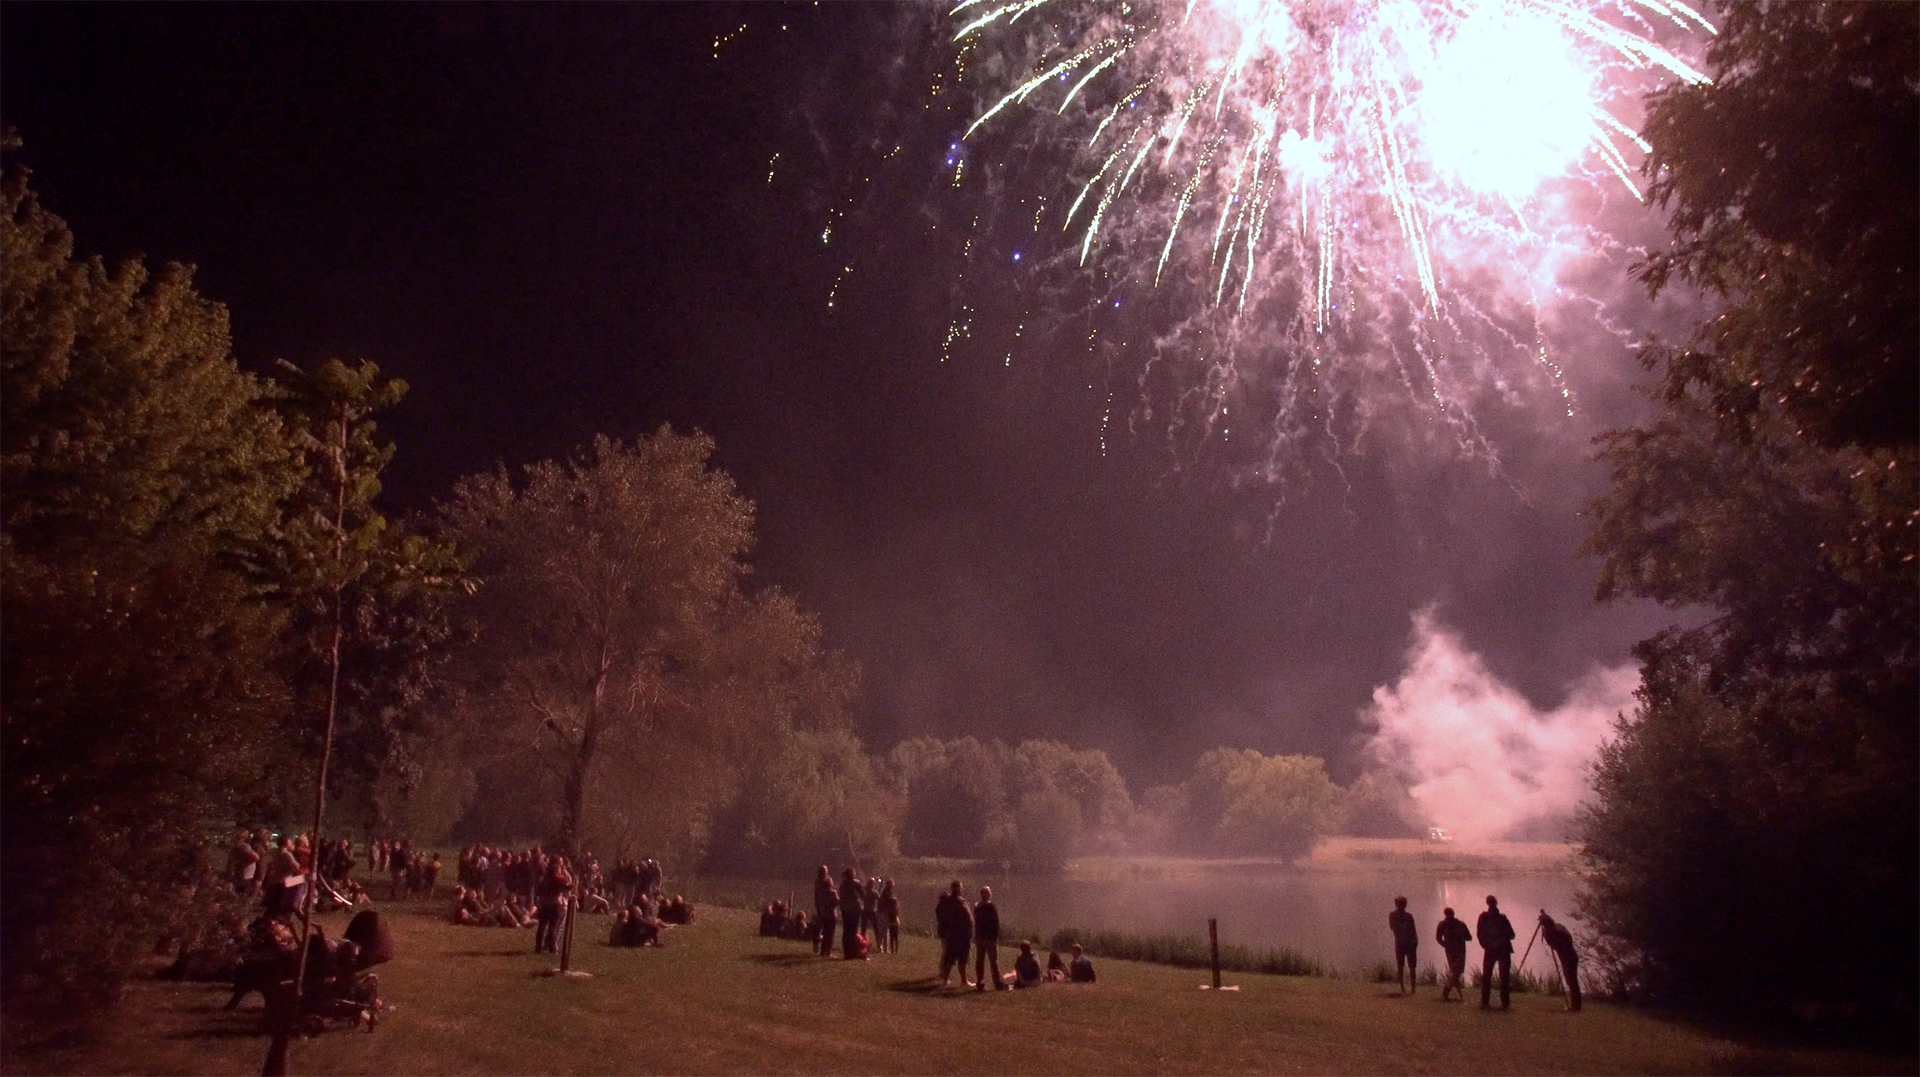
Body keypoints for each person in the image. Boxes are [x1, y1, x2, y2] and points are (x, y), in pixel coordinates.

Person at [1477, 895, 1515, 1010]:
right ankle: (1504, 1003)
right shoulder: (1502, 918)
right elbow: (1512, 935)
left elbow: (1480, 935)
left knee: (1488, 977)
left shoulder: (1484, 918)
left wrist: (1486, 945)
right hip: (1501, 950)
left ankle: (1486, 1002)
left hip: (1492, 950)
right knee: (1502, 977)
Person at [1537, 912, 1581, 1011]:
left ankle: (1576, 1006)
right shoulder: (1558, 927)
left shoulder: (1554, 933)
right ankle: (1575, 1005)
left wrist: (1545, 934)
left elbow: (1552, 944)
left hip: (1568, 958)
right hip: (1571, 957)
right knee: (1571, 981)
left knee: (1571, 981)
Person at [934, 880, 973, 987]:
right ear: (956, 888)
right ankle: (948, 979)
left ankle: (961, 980)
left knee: (959, 958)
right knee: (954, 958)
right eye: (960, 887)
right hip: (958, 934)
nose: (961, 889)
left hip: (959, 934)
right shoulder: (954, 902)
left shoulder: (954, 902)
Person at [533, 858, 571, 954]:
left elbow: (538, 891)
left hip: (544, 904)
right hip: (555, 904)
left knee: (542, 926)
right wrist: (565, 871)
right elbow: (569, 884)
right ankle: (552, 947)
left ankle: (538, 946)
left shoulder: (544, 880)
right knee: (553, 927)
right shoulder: (559, 880)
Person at [1434, 906, 1472, 1001]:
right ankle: (1447, 992)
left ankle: (1457, 994)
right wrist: (1446, 945)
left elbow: (1439, 939)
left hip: (1455, 951)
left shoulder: (1447, 925)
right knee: (1456, 972)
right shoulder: (1455, 925)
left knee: (1456, 973)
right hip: (1456, 951)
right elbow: (1469, 937)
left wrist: (1446, 944)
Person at [973, 885, 1004, 991]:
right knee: (993, 962)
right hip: (990, 938)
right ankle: (997, 982)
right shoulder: (991, 907)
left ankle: (980, 982)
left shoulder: (977, 907)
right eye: (989, 892)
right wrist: (996, 936)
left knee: (980, 961)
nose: (991, 894)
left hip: (980, 937)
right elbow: (995, 923)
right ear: (987, 894)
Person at [1388, 896, 1419, 995]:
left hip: (1409, 943)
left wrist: (1415, 940)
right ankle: (1403, 988)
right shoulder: (1393, 915)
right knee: (1401, 965)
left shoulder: (1408, 916)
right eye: (1400, 904)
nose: (1402, 906)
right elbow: (1394, 928)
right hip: (1401, 943)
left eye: (1403, 904)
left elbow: (1413, 929)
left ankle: (1412, 988)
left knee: (1411, 966)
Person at [839, 868, 866, 960]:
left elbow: (840, 896)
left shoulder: (843, 884)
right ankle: (853, 952)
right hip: (854, 910)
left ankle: (846, 952)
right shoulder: (856, 883)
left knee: (846, 931)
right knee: (853, 931)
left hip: (845, 910)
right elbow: (863, 895)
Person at [877, 879, 900, 955]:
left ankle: (885, 947)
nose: (893, 886)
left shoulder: (887, 892)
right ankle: (881, 947)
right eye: (892, 884)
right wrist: (893, 900)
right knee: (883, 930)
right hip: (883, 912)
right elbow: (887, 901)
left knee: (885, 930)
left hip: (885, 912)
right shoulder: (886, 892)